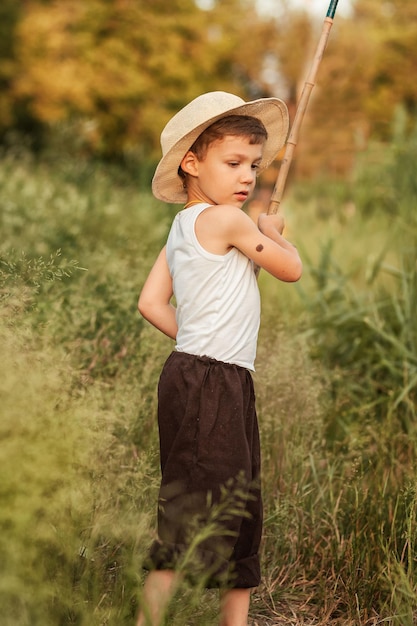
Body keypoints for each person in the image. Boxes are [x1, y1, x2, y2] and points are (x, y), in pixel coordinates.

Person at [137, 91, 302, 626]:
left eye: (254, 165)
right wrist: (272, 232)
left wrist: (200, 337)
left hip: (203, 373)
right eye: (232, 163)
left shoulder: (180, 229)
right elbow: (290, 270)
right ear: (191, 164)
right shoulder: (229, 222)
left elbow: (149, 303)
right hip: (211, 380)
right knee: (198, 512)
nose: (247, 176)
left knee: (238, 503)